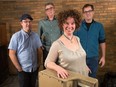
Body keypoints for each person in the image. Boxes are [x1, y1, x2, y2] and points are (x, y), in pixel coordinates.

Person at [44, 9, 90, 81]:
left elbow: (79, 56)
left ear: (76, 24)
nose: (70, 26)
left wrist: (84, 66)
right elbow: (47, 63)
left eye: (72, 23)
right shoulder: (57, 44)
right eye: (67, 23)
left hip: (85, 79)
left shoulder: (77, 39)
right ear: (62, 24)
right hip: (70, 81)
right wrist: (58, 68)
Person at [8, 14, 42, 87]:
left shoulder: (35, 36)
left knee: (33, 85)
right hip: (23, 70)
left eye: (29, 22)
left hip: (34, 69)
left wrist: (39, 63)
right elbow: (11, 54)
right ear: (21, 23)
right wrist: (19, 68)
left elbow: (39, 50)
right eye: (25, 22)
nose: (28, 24)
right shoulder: (16, 36)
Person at [75, 4, 106, 78]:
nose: (87, 13)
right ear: (83, 14)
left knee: (92, 79)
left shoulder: (99, 26)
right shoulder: (77, 26)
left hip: (93, 58)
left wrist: (103, 57)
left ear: (93, 12)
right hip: (80, 58)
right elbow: (73, 41)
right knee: (80, 79)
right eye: (85, 12)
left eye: (89, 11)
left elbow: (102, 42)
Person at [38, 2, 61, 69]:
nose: (49, 10)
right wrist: (41, 45)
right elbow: (38, 36)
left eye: (51, 8)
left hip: (58, 50)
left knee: (59, 68)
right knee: (47, 68)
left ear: (54, 9)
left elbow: (63, 34)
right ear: (45, 12)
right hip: (46, 50)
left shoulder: (60, 21)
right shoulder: (41, 23)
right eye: (47, 9)